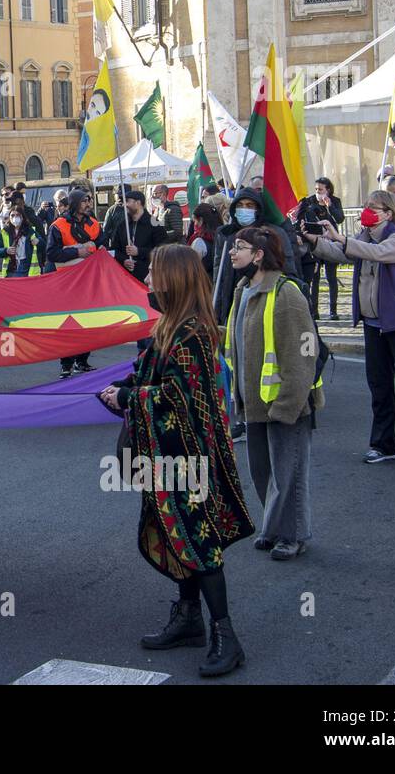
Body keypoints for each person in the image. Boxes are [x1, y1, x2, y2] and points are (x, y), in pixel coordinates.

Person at [97, 244, 253, 677]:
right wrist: (122, 387)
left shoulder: (194, 333)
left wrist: (129, 396)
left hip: (190, 460)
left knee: (199, 543)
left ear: (174, 279)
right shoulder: (170, 325)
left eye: (152, 272)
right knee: (173, 536)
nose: (147, 280)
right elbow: (150, 374)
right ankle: (189, 619)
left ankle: (226, 634)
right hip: (164, 455)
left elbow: (180, 397)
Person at [304, 190, 395, 467]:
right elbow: (341, 252)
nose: (367, 211)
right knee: (379, 386)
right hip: (373, 323)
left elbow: (377, 254)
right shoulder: (363, 239)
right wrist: (315, 240)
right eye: (365, 205)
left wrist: (342, 239)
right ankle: (383, 444)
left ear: (388, 213)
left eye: (373, 207)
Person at [223, 227, 321, 561]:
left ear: (260, 254)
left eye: (240, 247)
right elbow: (238, 341)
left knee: (288, 474)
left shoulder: (286, 294)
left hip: (284, 405)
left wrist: (288, 404)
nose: (233, 253)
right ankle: (274, 527)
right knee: (263, 473)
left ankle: (292, 536)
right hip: (254, 405)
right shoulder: (243, 290)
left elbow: (303, 354)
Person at [212, 187, 298, 326]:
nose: (244, 209)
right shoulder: (226, 234)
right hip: (232, 298)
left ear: (258, 209)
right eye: (239, 205)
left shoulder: (272, 234)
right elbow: (219, 273)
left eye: (249, 205)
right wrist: (216, 308)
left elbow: (288, 269)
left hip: (264, 299)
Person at [46, 191, 101, 376]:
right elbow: (52, 254)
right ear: (75, 203)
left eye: (89, 200)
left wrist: (92, 248)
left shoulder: (94, 224)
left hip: (87, 281)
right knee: (69, 325)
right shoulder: (58, 226)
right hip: (66, 283)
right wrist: (77, 252)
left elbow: (101, 247)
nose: (89, 203)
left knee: (88, 322)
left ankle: (82, 360)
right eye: (85, 201)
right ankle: (66, 364)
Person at [296, 177, 345, 320]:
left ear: (328, 190)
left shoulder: (334, 201)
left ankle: (333, 310)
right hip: (315, 242)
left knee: (331, 277)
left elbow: (340, 219)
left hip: (331, 242)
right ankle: (314, 310)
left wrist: (330, 207)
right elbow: (302, 218)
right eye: (316, 189)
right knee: (315, 278)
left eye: (321, 190)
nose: (318, 192)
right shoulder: (309, 201)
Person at [103, 190, 162, 285]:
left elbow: (163, 250)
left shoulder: (155, 223)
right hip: (126, 278)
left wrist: (139, 251)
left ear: (138, 203)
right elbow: (114, 249)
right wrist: (124, 260)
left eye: (127, 201)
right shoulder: (122, 225)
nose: (124, 205)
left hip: (147, 277)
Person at [0, 202, 43, 277]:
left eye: (17, 215)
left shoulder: (29, 230)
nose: (15, 218)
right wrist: (6, 250)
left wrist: (38, 241)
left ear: (22, 217)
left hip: (26, 267)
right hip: (11, 268)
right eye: (12, 215)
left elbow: (43, 244)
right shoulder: (4, 232)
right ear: (9, 218)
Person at [188, 201, 222, 271]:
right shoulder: (222, 236)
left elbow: (191, 269)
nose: (194, 224)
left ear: (201, 220)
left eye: (194, 220)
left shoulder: (199, 242)